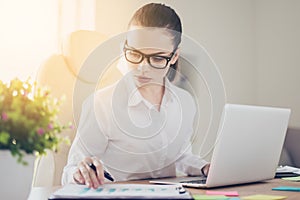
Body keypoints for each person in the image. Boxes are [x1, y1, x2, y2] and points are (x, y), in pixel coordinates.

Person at [62, 3, 210, 189]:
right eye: (134, 53)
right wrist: (79, 172)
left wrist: (204, 167)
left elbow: (179, 156)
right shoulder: (101, 103)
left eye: (157, 58)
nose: (142, 68)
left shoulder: (185, 102)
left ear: (173, 57)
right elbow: (71, 169)